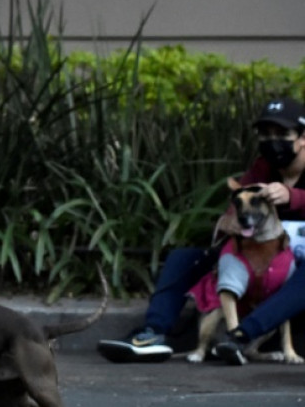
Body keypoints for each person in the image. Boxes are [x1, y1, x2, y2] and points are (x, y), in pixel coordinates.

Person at [97, 96, 305, 365]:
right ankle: (152, 333)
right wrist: (226, 223)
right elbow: (233, 213)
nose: (272, 141)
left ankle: (241, 336)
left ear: (302, 138)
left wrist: (293, 197)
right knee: (184, 258)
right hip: (258, 257)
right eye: (265, 134)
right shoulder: (262, 169)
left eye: (282, 134)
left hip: (295, 266)